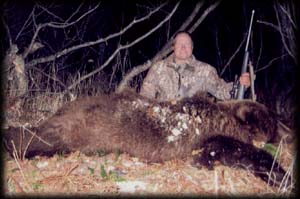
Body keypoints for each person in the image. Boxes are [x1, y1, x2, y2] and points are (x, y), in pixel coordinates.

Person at [140, 31, 250, 101]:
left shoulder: (205, 70)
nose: (183, 47)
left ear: (192, 47)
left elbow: (224, 93)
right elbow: (144, 98)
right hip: (164, 123)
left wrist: (240, 85)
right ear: (173, 47)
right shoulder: (158, 68)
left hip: (194, 125)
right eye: (179, 44)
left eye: (187, 44)